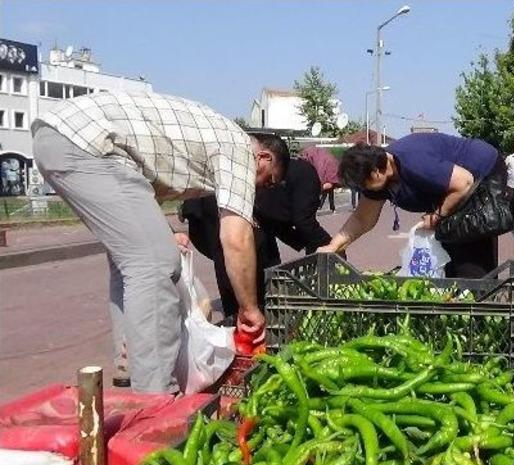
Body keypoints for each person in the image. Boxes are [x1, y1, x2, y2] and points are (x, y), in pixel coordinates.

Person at [31, 90, 284, 393]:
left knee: (133, 261)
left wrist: (163, 230)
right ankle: (156, 397)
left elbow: (137, 187)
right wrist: (250, 308)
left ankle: (133, 362)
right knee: (154, 263)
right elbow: (236, 238)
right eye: (268, 181)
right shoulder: (241, 150)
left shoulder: (214, 137)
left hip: (63, 136)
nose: (263, 189)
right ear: (264, 159)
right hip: (89, 143)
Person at [179, 137, 331, 319]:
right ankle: (239, 317)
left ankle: (252, 312)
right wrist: (330, 244)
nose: (268, 186)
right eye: (271, 180)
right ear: (264, 157)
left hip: (226, 218)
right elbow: (303, 222)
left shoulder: (255, 174)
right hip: (207, 214)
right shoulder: (306, 176)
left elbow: (276, 223)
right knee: (235, 261)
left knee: (260, 264)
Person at [318, 132, 504, 278]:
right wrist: (334, 246)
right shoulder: (379, 177)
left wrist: (437, 215)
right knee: (446, 245)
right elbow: (362, 218)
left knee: (467, 247)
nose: (362, 190)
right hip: (457, 186)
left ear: (375, 172)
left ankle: (478, 302)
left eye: (361, 185)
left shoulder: (413, 160)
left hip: (481, 175)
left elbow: (464, 182)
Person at [301, 146, 340, 214]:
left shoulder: (326, 161)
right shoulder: (318, 160)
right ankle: (325, 207)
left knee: (328, 195)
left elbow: (331, 182)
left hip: (324, 183)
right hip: (323, 183)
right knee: (326, 196)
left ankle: (328, 207)